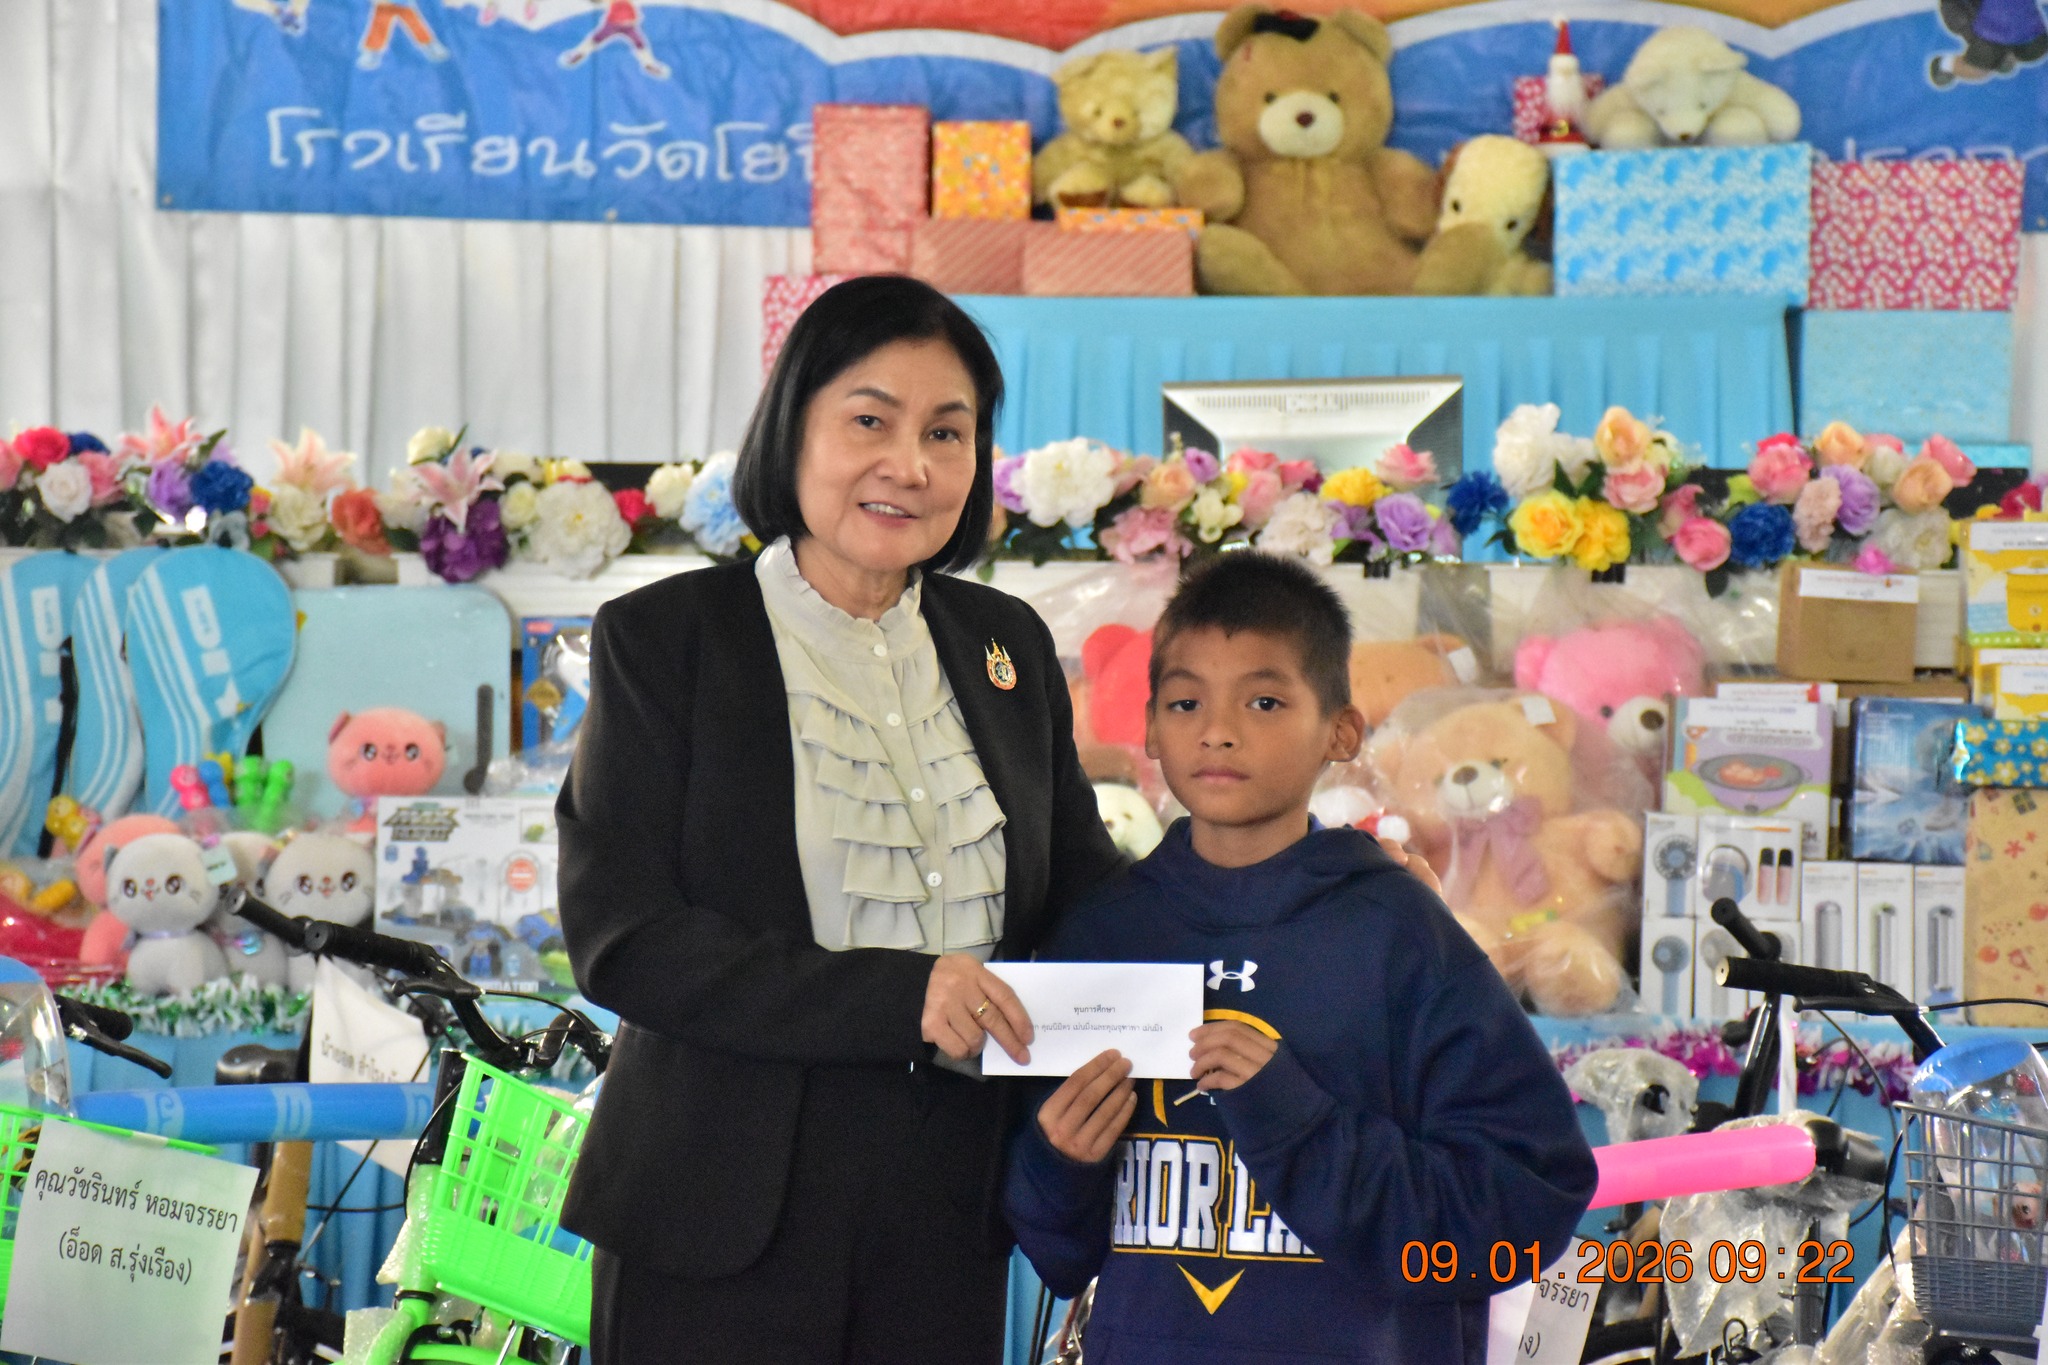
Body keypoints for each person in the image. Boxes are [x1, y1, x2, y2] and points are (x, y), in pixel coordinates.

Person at [554, 275, 1127, 1364]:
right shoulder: (665, 638)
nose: (910, 465)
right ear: (793, 429)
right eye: (870, 420)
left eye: (946, 432)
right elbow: (625, 939)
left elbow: (1082, 891)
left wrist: (1263, 900)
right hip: (719, 1210)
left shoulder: (1004, 643)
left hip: (947, 1208)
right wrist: (903, 996)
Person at [1003, 552, 1598, 1365]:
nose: (1218, 729)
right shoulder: (1103, 933)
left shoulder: (1399, 932)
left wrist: (1300, 1124)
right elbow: (1057, 1253)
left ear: (1341, 731)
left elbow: (1530, 1197)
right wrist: (1059, 1162)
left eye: (1264, 700)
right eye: (1185, 701)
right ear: (1148, 727)